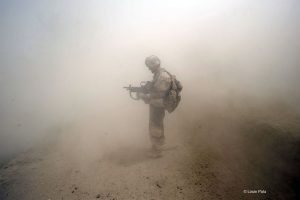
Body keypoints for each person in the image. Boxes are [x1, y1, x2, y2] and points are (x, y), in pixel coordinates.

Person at [138, 55, 172, 157]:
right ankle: (156, 146)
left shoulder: (162, 76)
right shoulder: (158, 74)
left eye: (149, 66)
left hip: (158, 104)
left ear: (154, 64)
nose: (149, 68)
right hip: (156, 103)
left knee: (156, 125)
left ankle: (157, 150)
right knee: (155, 124)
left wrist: (145, 95)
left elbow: (161, 94)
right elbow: (156, 90)